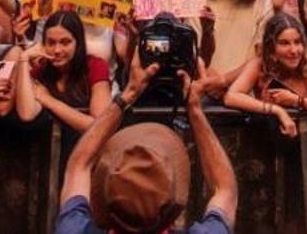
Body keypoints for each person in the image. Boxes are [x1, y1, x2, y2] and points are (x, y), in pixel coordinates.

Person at [53, 61, 236, 234]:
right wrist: (194, 110)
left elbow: (78, 165)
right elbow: (225, 189)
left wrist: (126, 96)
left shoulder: (74, 229)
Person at [223, 13, 307, 136]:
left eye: (297, 42)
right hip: (266, 139)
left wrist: (297, 101)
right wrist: (276, 110)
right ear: (271, 48)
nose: (294, 50)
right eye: (284, 43)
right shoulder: (260, 65)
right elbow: (231, 97)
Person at [16, 9, 112, 132]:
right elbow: (26, 114)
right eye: (51, 43)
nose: (57, 50)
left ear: (78, 43)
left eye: (65, 43)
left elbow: (100, 128)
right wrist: (24, 58)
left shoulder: (96, 66)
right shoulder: (40, 70)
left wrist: (48, 100)